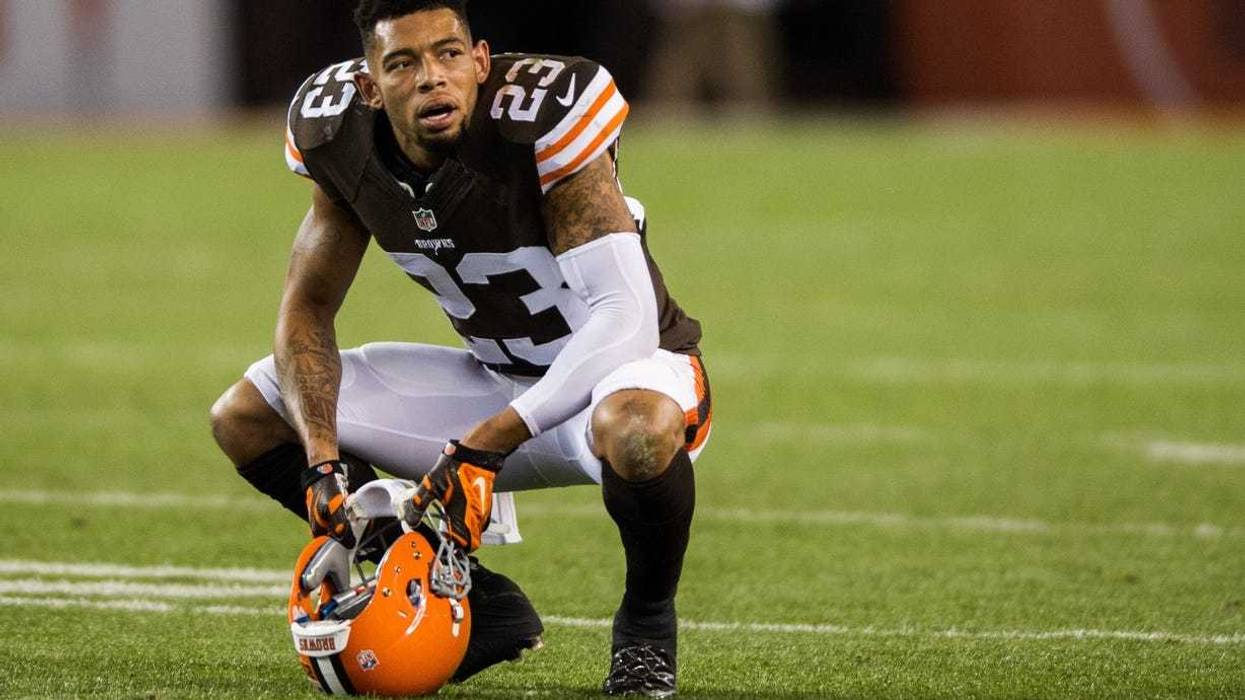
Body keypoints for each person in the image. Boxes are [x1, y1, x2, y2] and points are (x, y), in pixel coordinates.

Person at [208, 1, 712, 696]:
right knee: (246, 415)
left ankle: (646, 627)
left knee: (636, 430)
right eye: (403, 63)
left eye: (448, 55)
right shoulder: (339, 141)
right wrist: (322, 464)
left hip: (626, 375)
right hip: (495, 377)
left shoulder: (540, 120)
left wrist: (486, 443)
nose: (430, 79)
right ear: (369, 87)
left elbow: (623, 320)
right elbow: (306, 312)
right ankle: (476, 604)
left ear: (480, 62)